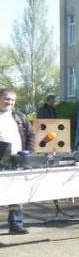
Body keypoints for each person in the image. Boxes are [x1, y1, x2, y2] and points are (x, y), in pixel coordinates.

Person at [0, 88, 34, 234]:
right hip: (1, 158)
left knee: (16, 192)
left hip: (18, 158)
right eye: (7, 99)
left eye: (12, 100)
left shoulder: (20, 116)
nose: (10, 102)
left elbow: (31, 135)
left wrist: (29, 153)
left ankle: (15, 224)